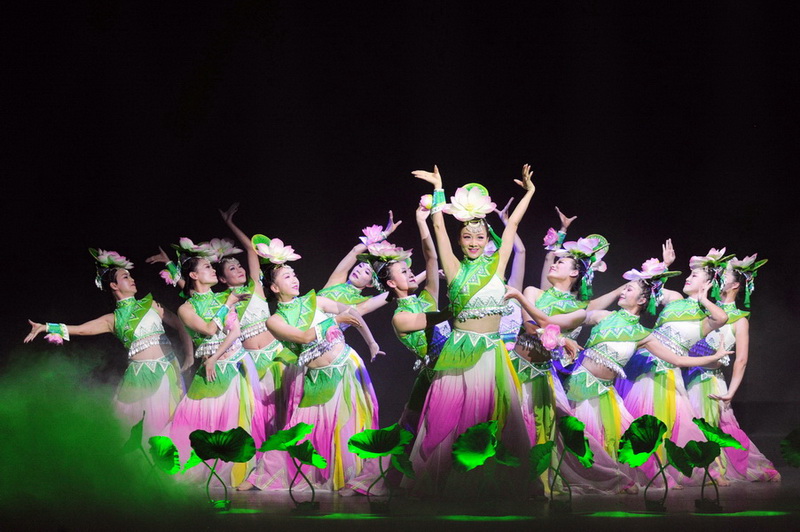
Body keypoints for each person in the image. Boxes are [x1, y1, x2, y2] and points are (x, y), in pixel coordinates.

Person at [403, 164, 535, 497]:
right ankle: (446, 485)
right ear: (460, 240)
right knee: (448, 419)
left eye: (479, 237)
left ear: (487, 240)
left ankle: (490, 486)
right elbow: (438, 225)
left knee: (493, 420)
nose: (473, 242)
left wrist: (530, 192)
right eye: (467, 236)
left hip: (492, 354)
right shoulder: (454, 268)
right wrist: (439, 190)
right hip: (458, 353)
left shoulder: (497, 265)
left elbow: (513, 225)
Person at [561, 259, 730, 493]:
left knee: (635, 436)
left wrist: (713, 354)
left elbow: (681, 358)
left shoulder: (647, 333)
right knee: (585, 434)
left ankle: (633, 476)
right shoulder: (607, 316)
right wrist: (558, 336)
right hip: (595, 380)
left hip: (634, 381)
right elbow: (571, 318)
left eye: (629, 289)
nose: (623, 291)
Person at [239, 237, 385, 494]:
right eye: (287, 276)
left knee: (351, 426)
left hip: (345, 367)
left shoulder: (315, 301)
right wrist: (334, 321)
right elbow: (304, 337)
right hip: (316, 377)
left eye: (294, 274)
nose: (295, 279)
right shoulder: (274, 321)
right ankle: (265, 475)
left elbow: (353, 313)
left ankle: (357, 480)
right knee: (299, 428)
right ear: (274, 287)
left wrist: (371, 343)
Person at [25, 249, 191, 440]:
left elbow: (181, 324)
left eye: (130, 276)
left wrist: (188, 355)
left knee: (170, 425)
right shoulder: (111, 319)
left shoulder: (151, 304)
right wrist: (45, 327)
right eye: (125, 277)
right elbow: (80, 329)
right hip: (138, 378)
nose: (132, 279)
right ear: (113, 285)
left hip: (167, 370)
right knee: (140, 430)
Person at [620, 245, 730, 486]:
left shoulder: (705, 318)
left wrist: (703, 299)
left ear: (708, 283)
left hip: (667, 371)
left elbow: (722, 318)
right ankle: (644, 472)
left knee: (672, 422)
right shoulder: (676, 299)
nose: (688, 277)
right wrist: (665, 265)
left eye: (694, 275)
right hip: (644, 363)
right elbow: (650, 288)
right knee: (641, 420)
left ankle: (669, 472)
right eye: (689, 274)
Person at [167, 239, 267, 488]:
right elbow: (210, 329)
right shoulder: (186, 309)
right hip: (211, 370)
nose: (213, 270)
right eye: (207, 267)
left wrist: (213, 357)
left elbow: (235, 332)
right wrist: (228, 304)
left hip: (236, 363)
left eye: (212, 267)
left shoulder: (224, 297)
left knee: (238, 418)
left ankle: (240, 472)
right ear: (193, 275)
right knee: (194, 419)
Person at [684, 254, 780, 482]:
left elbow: (741, 359)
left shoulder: (739, 320)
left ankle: (712, 470)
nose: (718, 277)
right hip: (686, 375)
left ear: (736, 285)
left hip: (709, 379)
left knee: (710, 427)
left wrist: (732, 391)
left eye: (724, 275)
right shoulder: (703, 309)